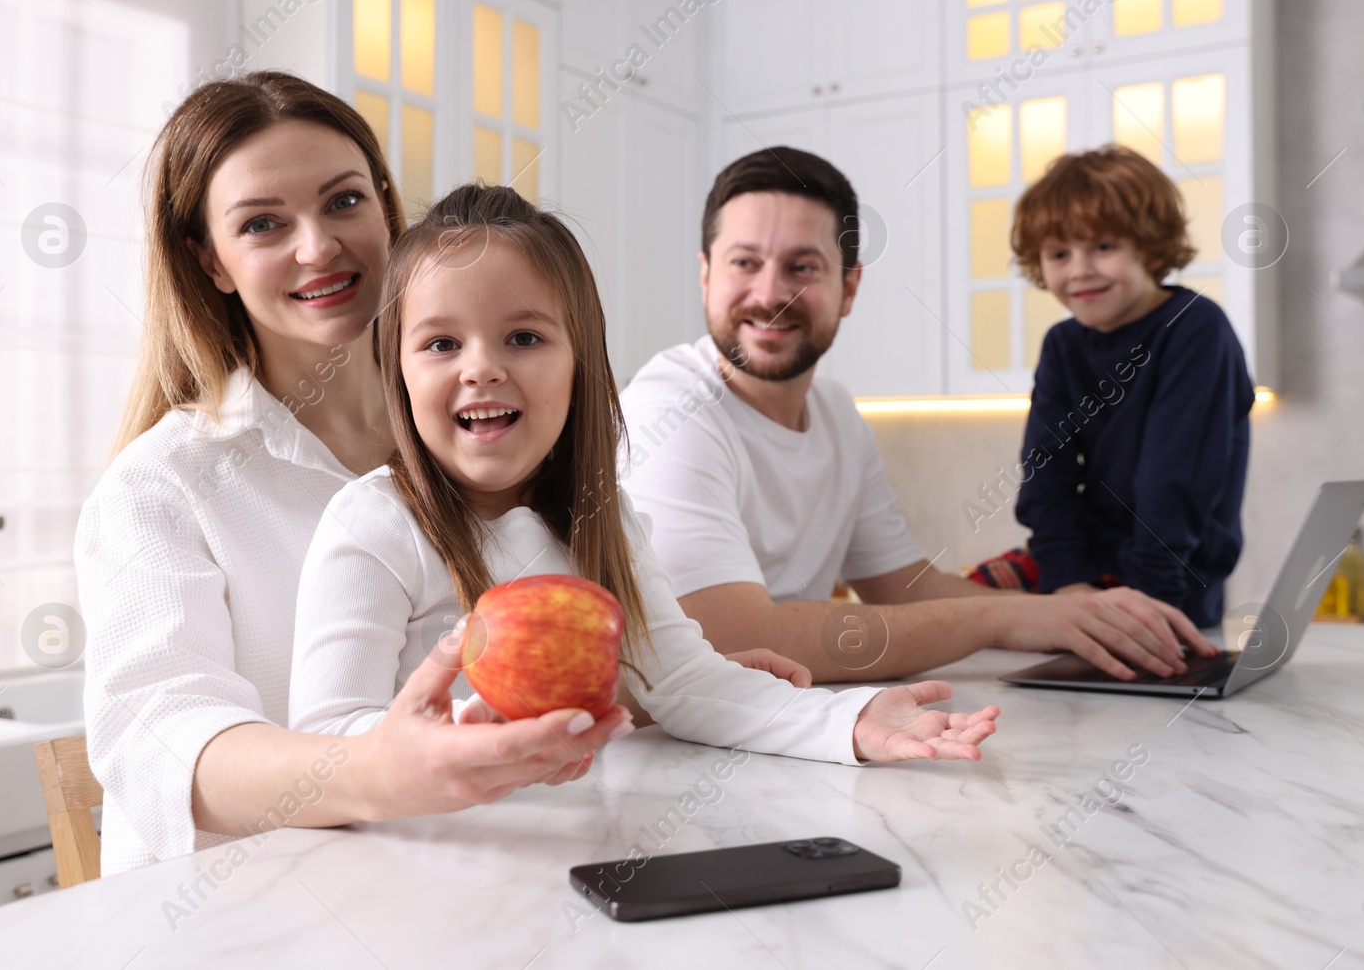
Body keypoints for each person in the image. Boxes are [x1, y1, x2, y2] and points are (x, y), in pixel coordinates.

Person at [77, 73, 813, 875]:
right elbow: (158, 742)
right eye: (262, 223)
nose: (319, 246)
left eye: (345, 202)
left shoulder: (485, 433)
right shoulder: (159, 487)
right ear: (209, 261)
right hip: (237, 915)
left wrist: (653, 688)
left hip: (435, 886)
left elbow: (499, 686)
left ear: (388, 211)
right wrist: (378, 772)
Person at [286, 184, 1000, 772]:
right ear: (398, 370)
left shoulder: (606, 518)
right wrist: (458, 743)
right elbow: (324, 737)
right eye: (441, 343)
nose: (481, 367)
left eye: (525, 338)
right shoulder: (373, 525)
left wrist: (850, 719)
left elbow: (688, 679)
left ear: (580, 363)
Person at [619, 146, 1219, 685]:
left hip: (774, 726)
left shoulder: (834, 414)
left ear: (849, 287)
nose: (773, 293)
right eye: (744, 263)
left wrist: (1062, 615)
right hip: (658, 752)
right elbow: (730, 637)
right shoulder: (670, 412)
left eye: (804, 267)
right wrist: (1002, 617)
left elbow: (904, 587)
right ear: (705, 276)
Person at [972, 145, 1253, 628]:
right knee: (959, 611)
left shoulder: (1195, 328)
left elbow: (1173, 485)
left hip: (1168, 580)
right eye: (1059, 253)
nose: (1079, 270)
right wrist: (1069, 587)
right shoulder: (1062, 344)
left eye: (1103, 247)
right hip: (1080, 569)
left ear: (1151, 245)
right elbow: (1046, 476)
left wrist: (1142, 606)